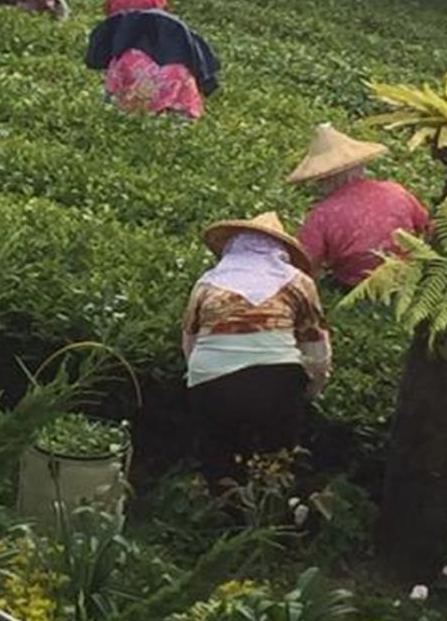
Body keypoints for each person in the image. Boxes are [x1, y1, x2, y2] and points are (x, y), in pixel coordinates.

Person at [183, 212, 331, 490]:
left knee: (218, 454)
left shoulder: (207, 282)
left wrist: (202, 378)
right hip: (276, 380)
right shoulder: (298, 282)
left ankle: (222, 509)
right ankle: (271, 509)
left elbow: (190, 341)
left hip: (211, 381)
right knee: (277, 456)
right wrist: (313, 386)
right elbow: (315, 344)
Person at [290, 123, 430, 288]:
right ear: (360, 166)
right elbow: (428, 228)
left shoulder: (322, 215)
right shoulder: (396, 191)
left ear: (323, 179)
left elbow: (304, 263)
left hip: (355, 289)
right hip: (411, 280)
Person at [84, 0, 217, 120]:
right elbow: (159, 23)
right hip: (156, 45)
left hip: (124, 41)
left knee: (121, 73)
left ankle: (124, 110)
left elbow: (109, 17)